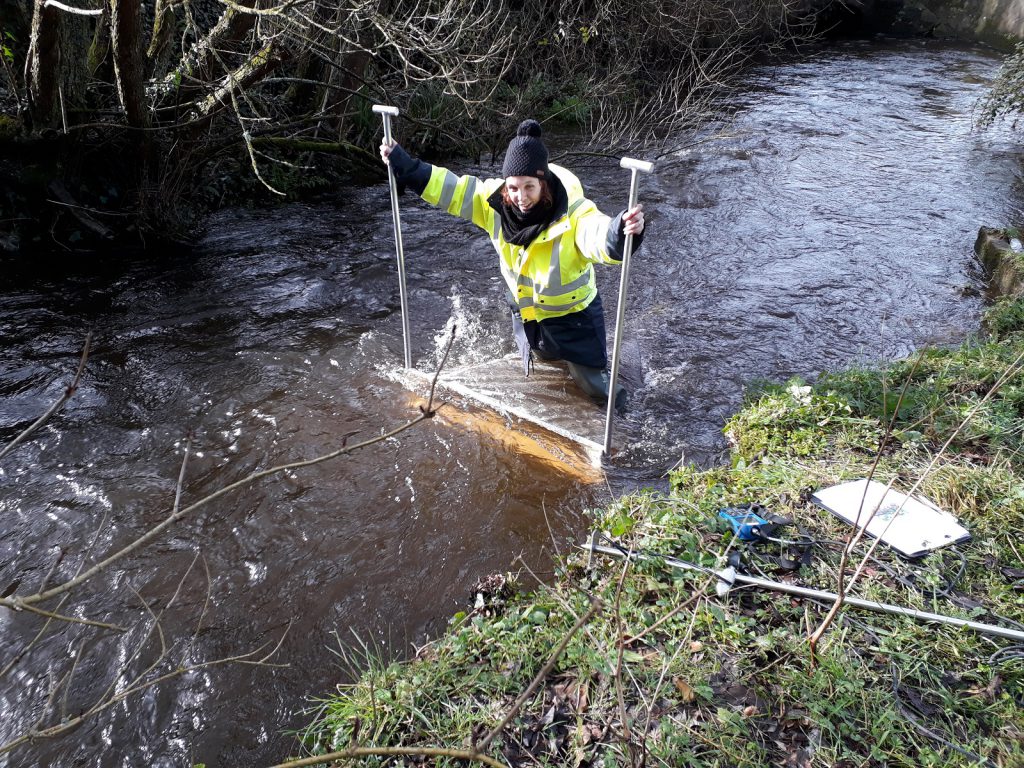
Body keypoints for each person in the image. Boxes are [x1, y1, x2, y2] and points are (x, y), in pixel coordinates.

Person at [380, 118, 645, 409]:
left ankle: (625, 422)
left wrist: (621, 230)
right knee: (545, 362)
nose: (521, 198)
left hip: (574, 316)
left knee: (594, 386)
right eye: (514, 188)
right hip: (528, 311)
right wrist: (405, 165)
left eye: (529, 187)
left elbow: (598, 235)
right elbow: (451, 190)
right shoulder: (494, 204)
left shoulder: (573, 214)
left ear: (543, 184)